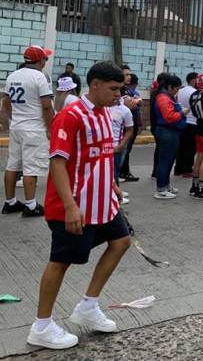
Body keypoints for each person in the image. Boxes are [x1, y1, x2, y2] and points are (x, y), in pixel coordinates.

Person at [26, 61, 130, 350]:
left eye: (119, 89)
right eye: (113, 89)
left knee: (121, 241)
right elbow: (58, 162)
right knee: (61, 262)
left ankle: (88, 305)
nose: (117, 95)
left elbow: (101, 155)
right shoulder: (71, 116)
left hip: (102, 203)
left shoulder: (105, 114)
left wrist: (111, 185)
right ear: (95, 84)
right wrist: (70, 206)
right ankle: (41, 326)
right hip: (75, 206)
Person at [2, 45, 55, 217]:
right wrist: (51, 127)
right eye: (45, 59)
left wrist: (12, 120)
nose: (45, 62)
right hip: (34, 129)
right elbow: (47, 107)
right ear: (40, 61)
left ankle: (10, 202)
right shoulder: (40, 77)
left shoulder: (12, 76)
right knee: (31, 168)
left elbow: (6, 104)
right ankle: (31, 205)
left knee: (12, 166)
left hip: (17, 127)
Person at [153, 74, 186, 199]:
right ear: (170, 87)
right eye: (176, 89)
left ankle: (166, 185)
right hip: (167, 132)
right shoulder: (163, 98)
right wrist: (182, 113)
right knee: (165, 161)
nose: (177, 91)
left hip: (172, 132)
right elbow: (169, 117)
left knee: (170, 160)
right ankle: (161, 189)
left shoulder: (168, 97)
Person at [109, 96, 134, 204]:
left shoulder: (124, 110)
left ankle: (115, 196)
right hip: (101, 148)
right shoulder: (100, 107)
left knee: (115, 172)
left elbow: (129, 129)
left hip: (115, 147)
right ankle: (112, 195)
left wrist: (121, 145)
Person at [118, 74, 142, 183]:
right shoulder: (123, 92)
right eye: (126, 74)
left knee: (125, 152)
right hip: (120, 129)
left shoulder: (128, 91)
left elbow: (137, 103)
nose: (128, 77)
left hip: (129, 125)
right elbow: (133, 104)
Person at [174, 72, 199, 177]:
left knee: (181, 146)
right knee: (190, 147)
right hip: (192, 121)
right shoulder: (195, 92)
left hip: (182, 120)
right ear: (193, 80)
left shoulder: (179, 91)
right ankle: (187, 169)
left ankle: (178, 169)